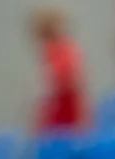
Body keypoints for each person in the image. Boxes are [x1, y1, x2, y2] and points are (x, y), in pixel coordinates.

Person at [29, 5, 89, 134]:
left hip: (65, 102)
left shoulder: (64, 49)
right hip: (59, 102)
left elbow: (68, 79)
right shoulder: (50, 50)